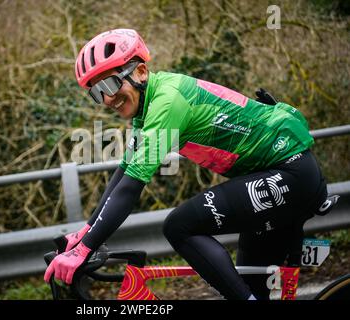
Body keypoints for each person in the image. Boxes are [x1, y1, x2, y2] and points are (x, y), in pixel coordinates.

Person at [43, 28, 328, 300]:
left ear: (141, 71)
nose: (106, 98)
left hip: (289, 174)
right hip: (276, 176)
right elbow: (122, 175)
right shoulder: (148, 107)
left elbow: (130, 189)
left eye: (110, 83)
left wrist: (84, 251)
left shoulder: (168, 101)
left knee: (179, 226)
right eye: (96, 92)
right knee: (247, 288)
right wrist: (85, 234)